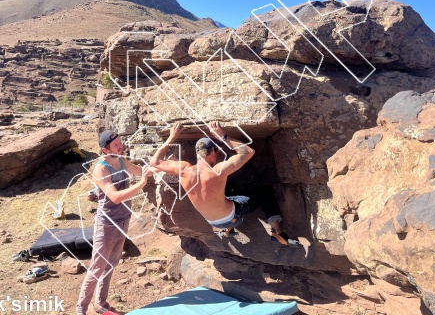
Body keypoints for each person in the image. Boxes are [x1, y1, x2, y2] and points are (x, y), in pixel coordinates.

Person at [150, 121, 300, 247]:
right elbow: (248, 152)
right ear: (213, 152)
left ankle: (228, 229)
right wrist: (223, 136)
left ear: (197, 153)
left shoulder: (183, 169)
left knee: (228, 188)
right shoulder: (217, 171)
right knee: (264, 192)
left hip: (211, 221)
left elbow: (155, 162)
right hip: (233, 216)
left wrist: (171, 137)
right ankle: (278, 233)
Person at [76, 130, 151, 315]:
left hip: (123, 220)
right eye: (116, 144)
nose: (121, 145)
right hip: (107, 224)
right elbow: (115, 197)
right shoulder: (101, 169)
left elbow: (141, 170)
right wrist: (142, 183)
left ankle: (100, 303)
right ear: (105, 149)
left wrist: (161, 166)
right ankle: (81, 309)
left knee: (111, 264)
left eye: (120, 142)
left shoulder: (122, 160)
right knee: (96, 268)